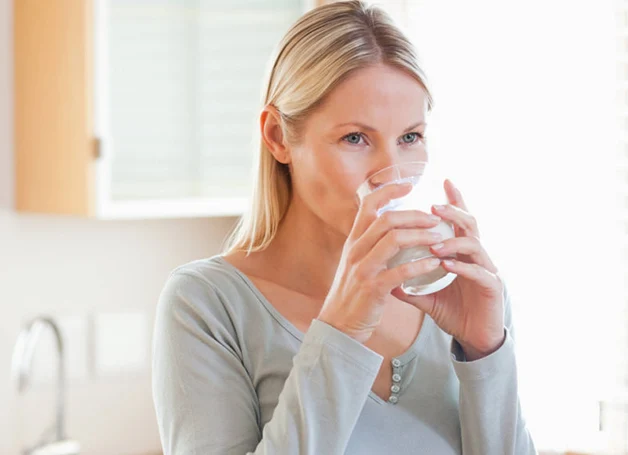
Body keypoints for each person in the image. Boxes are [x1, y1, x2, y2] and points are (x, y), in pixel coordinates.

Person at [152, 1, 536, 453]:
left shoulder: (461, 297)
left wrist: (485, 353)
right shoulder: (208, 306)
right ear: (278, 137)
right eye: (356, 138)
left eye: (410, 137)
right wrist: (343, 330)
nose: (393, 174)